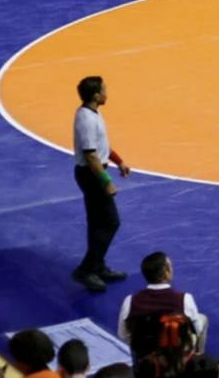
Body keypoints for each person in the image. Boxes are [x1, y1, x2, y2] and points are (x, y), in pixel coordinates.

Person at [71, 75, 129, 293]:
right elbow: (91, 155)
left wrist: (119, 161)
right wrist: (107, 182)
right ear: (96, 95)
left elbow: (102, 145)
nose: (107, 93)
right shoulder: (85, 119)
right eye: (104, 90)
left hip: (94, 172)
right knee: (110, 222)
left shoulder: (93, 113)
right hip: (92, 175)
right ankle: (86, 269)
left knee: (98, 223)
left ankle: (97, 265)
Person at [119, 251, 208, 351]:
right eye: (170, 266)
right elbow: (197, 329)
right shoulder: (184, 300)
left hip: (145, 357)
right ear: (166, 272)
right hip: (176, 356)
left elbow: (123, 335)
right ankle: (198, 361)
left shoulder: (129, 302)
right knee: (202, 319)